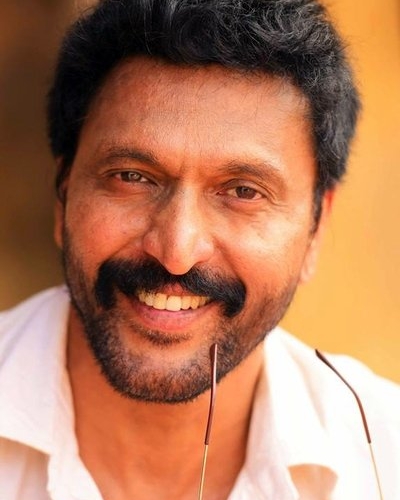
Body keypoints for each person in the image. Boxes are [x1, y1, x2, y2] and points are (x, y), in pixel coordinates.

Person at [0, 0, 399, 498]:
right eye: (132, 177)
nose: (177, 251)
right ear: (62, 196)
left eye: (243, 191)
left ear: (317, 227)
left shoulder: (386, 460)